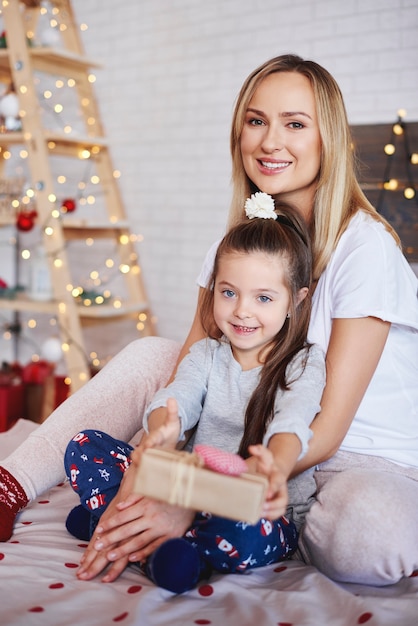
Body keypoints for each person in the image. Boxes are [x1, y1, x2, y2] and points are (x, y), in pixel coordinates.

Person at [1, 53, 417, 587]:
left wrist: (192, 495)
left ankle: (220, 523)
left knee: (369, 539)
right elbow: (192, 370)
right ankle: (11, 481)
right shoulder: (238, 241)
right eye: (256, 120)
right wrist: (168, 469)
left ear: (327, 140)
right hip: (251, 433)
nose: (270, 142)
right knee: (154, 355)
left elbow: (326, 427)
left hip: (340, 455)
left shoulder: (365, 247)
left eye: (295, 124)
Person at [63, 200, 325, 593]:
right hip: (184, 490)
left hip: (249, 506)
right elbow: (176, 398)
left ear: (297, 300)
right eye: (229, 292)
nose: (242, 312)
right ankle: (130, 525)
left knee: (248, 534)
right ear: (213, 288)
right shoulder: (207, 354)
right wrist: (162, 431)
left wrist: (277, 464)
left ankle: (140, 538)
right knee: (85, 445)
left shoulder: (304, 363)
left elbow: (294, 421)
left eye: (264, 298)